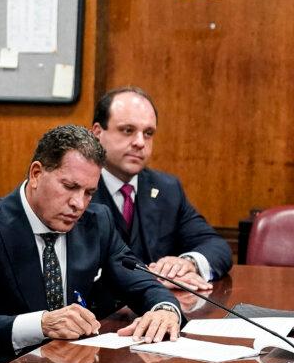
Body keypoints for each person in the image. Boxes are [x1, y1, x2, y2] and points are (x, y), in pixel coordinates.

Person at [0, 125, 179, 363]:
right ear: (36, 174)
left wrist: (164, 309)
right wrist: (42, 324)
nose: (79, 204)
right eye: (69, 186)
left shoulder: (97, 222)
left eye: (89, 193)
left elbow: (140, 281)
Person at [90, 86, 231, 294]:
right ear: (97, 133)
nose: (140, 143)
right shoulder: (76, 189)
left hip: (162, 312)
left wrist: (186, 264)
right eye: (127, 130)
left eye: (148, 133)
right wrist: (149, 279)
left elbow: (216, 246)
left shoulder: (166, 189)